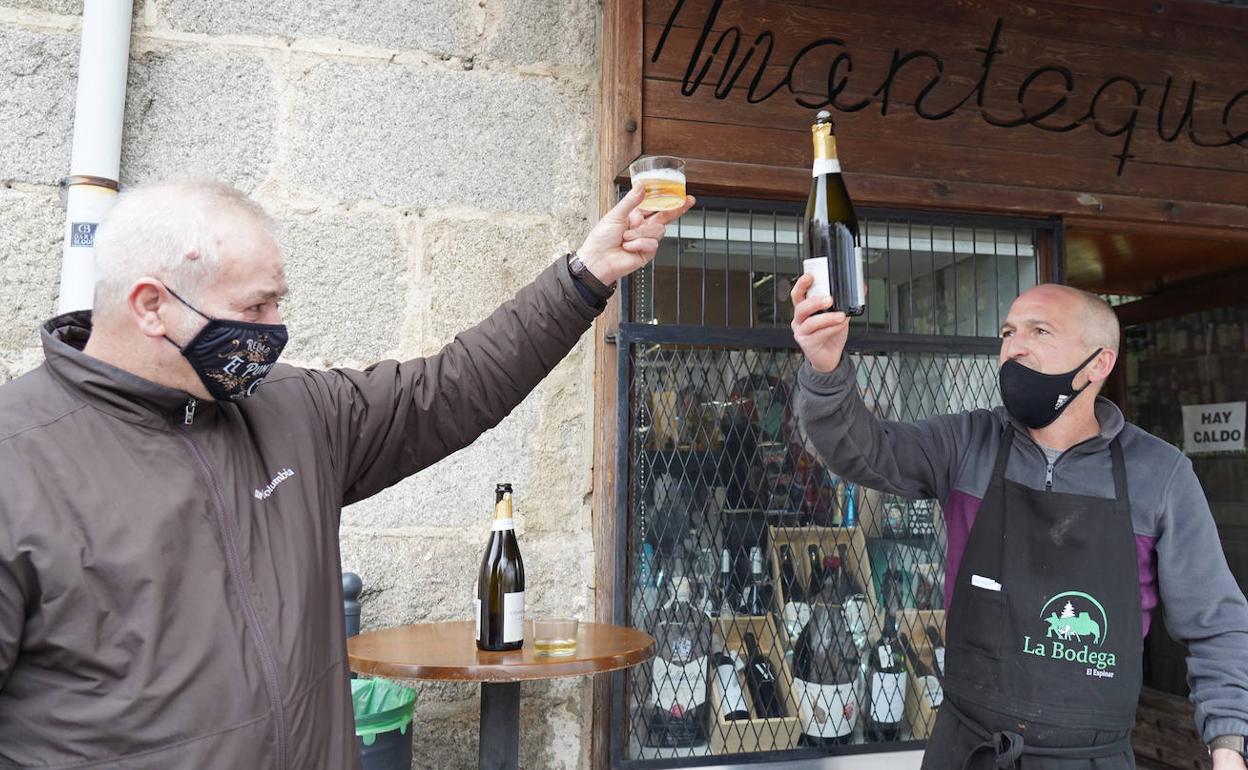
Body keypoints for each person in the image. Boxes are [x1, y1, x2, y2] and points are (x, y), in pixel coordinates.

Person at [0, 178, 693, 769]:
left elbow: (451, 388)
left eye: (279, 303)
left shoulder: (291, 411)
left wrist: (584, 277)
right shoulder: (20, 462)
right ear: (151, 305)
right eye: (255, 308)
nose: (276, 329)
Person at [790, 276, 1248, 769]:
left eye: (1040, 332)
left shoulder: (1159, 473)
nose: (1014, 347)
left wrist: (1228, 748)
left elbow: (1216, 623)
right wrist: (825, 367)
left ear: (1099, 363)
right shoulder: (969, 443)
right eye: (1008, 333)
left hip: (1089, 758)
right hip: (968, 750)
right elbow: (862, 450)